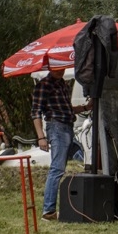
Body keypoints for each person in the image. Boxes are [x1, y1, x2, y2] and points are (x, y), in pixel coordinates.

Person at [32, 66, 91, 221]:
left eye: (62, 69)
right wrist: (41, 137)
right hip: (57, 128)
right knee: (57, 169)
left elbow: (67, 109)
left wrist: (86, 107)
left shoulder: (63, 84)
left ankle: (57, 207)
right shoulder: (44, 85)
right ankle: (48, 210)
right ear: (50, 68)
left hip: (67, 127)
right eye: (57, 69)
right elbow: (35, 112)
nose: (60, 72)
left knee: (78, 161)